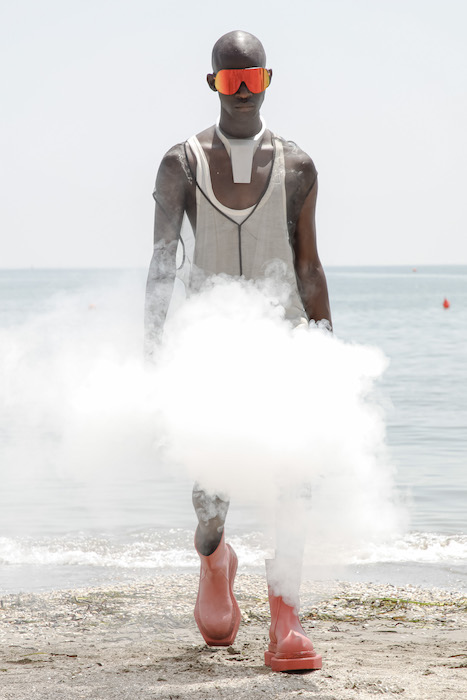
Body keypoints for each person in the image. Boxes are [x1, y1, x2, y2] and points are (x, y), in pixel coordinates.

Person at [145, 30, 332, 672]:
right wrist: (152, 346)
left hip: (283, 341)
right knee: (210, 498)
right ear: (213, 84)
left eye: (254, 78)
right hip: (210, 348)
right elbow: (162, 263)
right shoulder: (181, 163)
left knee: (295, 475)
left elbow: (308, 265)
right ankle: (215, 561)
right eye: (232, 80)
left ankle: (286, 617)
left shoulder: (299, 165)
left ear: (268, 80)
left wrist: (323, 348)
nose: (244, 91)